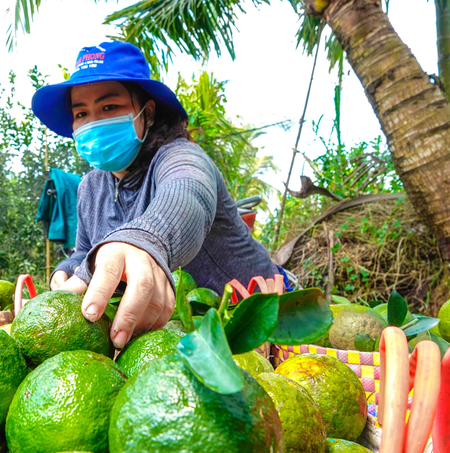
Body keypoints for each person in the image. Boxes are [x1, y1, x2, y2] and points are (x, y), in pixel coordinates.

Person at [31, 41, 285, 349]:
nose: (94, 122)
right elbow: (83, 256)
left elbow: (186, 193)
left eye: (109, 107)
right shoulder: (89, 188)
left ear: (146, 113)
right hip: (171, 342)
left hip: (253, 325)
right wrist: (64, 272)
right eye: (82, 112)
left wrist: (147, 241)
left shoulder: (180, 157)